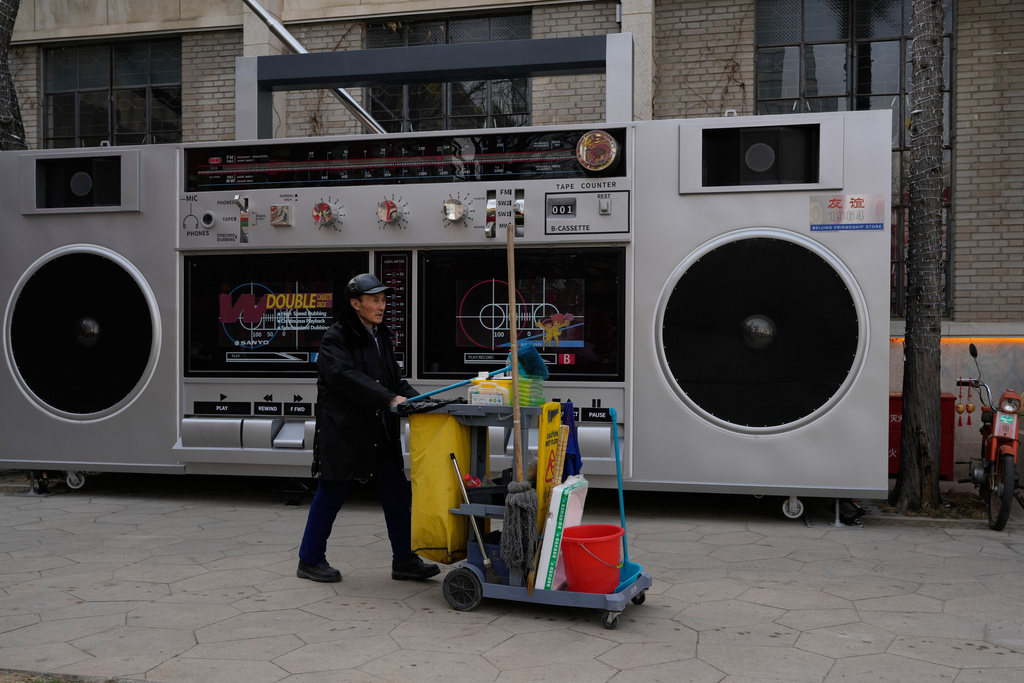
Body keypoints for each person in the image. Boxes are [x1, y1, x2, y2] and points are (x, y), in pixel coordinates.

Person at [296, 273, 440, 583]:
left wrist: (421, 402)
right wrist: (389, 398)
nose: (381, 305)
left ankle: (404, 560)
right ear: (355, 303)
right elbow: (344, 377)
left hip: (380, 432)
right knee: (332, 493)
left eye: (384, 299)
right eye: (374, 299)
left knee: (397, 494)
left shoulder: (380, 335)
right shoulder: (336, 337)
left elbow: (395, 380)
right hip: (345, 431)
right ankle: (309, 561)